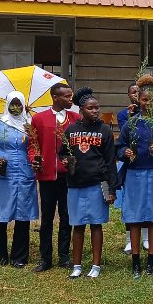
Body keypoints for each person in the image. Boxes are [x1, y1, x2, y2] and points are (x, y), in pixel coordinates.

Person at [117, 81, 153, 278]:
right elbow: (118, 147)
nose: (147, 103)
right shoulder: (130, 124)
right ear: (138, 100)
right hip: (134, 175)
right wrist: (124, 152)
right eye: (144, 100)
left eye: (151, 100)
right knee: (134, 218)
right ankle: (135, 261)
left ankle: (151, 261)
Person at [61, 87, 116, 279]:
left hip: (97, 184)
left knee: (96, 225)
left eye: (97, 108)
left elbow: (110, 161)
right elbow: (62, 153)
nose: (95, 111)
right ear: (81, 110)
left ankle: (96, 265)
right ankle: (76, 265)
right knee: (77, 225)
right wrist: (66, 160)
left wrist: (111, 189)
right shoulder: (71, 130)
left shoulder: (105, 131)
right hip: (76, 184)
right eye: (91, 108)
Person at [0, 91, 40, 267]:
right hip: (3, 173)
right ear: (7, 105)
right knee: (0, 214)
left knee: (23, 215)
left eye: (18, 104)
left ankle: (19, 257)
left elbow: (35, 147)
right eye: (12, 104)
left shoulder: (30, 125)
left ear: (24, 105)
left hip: (25, 172)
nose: (15, 108)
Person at [29, 82, 79, 272]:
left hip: (69, 176)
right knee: (47, 218)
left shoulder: (75, 118)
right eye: (67, 96)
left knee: (67, 217)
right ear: (55, 97)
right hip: (47, 175)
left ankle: (65, 256)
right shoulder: (39, 119)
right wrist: (34, 159)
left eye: (71, 96)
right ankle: (45, 257)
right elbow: (33, 144)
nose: (70, 99)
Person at [115, 83, 147, 254]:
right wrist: (130, 114)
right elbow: (125, 134)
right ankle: (129, 239)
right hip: (129, 162)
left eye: (138, 93)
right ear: (128, 95)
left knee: (146, 201)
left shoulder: (150, 115)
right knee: (131, 202)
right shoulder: (123, 114)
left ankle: (146, 237)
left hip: (146, 162)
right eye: (132, 92)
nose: (135, 95)